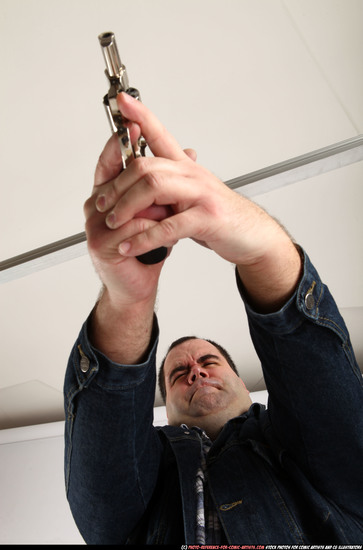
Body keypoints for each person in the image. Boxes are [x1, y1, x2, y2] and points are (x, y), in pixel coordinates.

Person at [64, 92, 363, 545]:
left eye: (208, 362)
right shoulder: (146, 484)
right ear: (163, 409)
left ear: (246, 384)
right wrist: (128, 302)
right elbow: (102, 492)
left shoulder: (301, 449)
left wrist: (266, 254)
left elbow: (330, 408)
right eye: (180, 373)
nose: (196, 372)